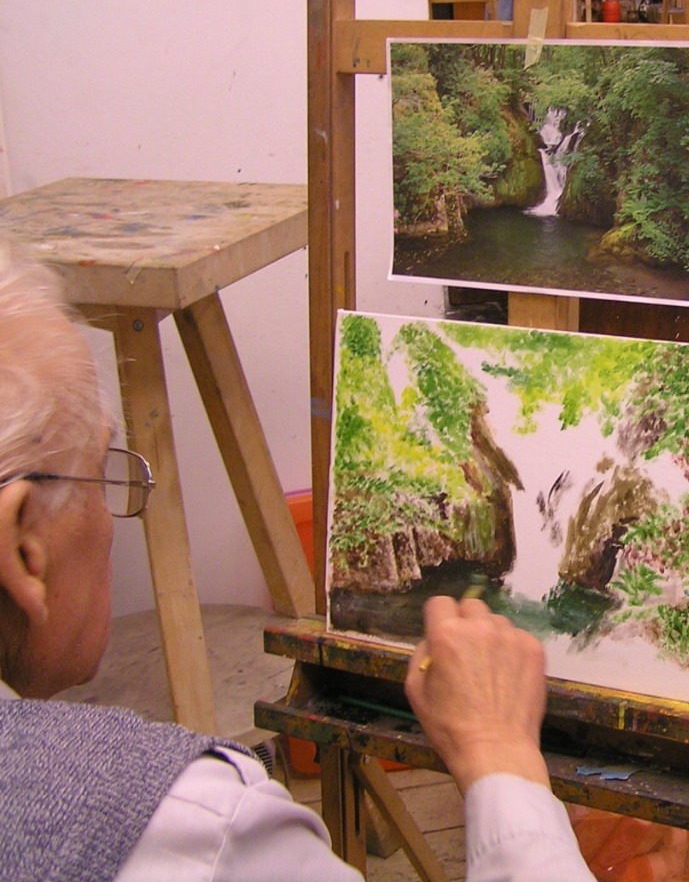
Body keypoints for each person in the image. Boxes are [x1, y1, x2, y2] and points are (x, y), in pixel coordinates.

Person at [0, 253, 594, 882]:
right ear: (22, 551)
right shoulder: (196, 834)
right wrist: (499, 755)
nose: (111, 515)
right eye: (103, 471)